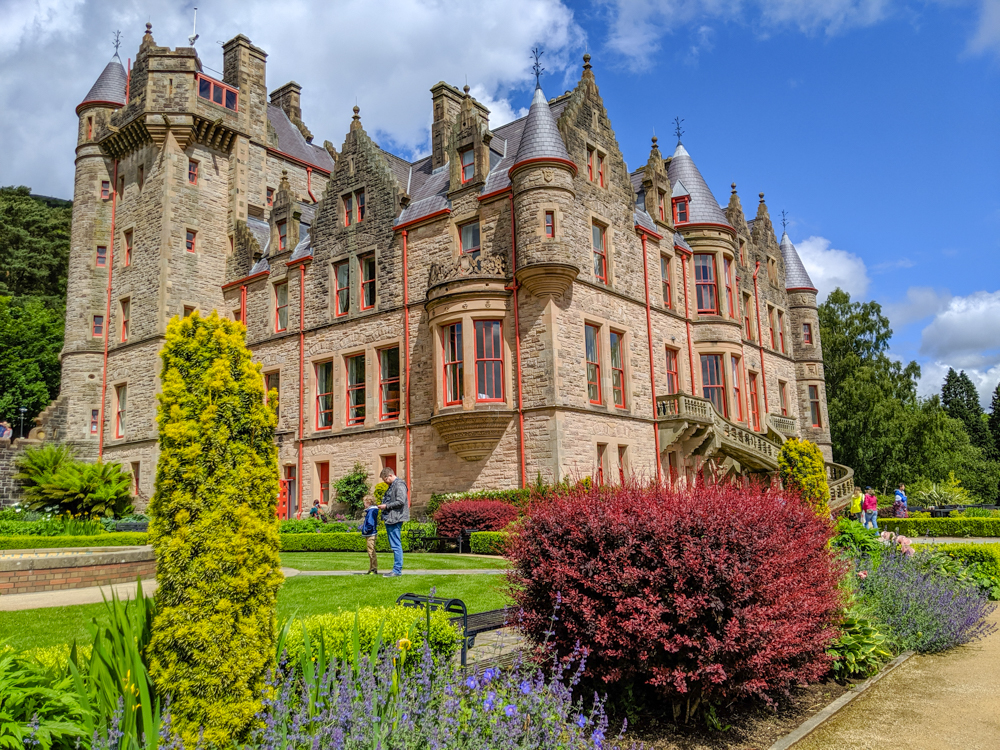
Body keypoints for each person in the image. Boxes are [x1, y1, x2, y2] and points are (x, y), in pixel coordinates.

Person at [377, 466, 409, 577]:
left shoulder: (399, 484)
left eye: (385, 479)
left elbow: (401, 501)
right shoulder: (392, 485)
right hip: (390, 518)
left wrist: (386, 506)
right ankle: (396, 569)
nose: (385, 482)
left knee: (396, 545)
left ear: (390, 475)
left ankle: (397, 570)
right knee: (394, 544)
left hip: (395, 518)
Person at [358, 496, 380, 575]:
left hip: (370, 533)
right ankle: (371, 568)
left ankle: (373, 568)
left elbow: (370, 522)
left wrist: (366, 529)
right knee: (371, 551)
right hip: (371, 533)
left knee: (371, 551)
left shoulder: (371, 511)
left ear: (369, 502)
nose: (364, 504)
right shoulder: (371, 511)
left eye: (364, 502)